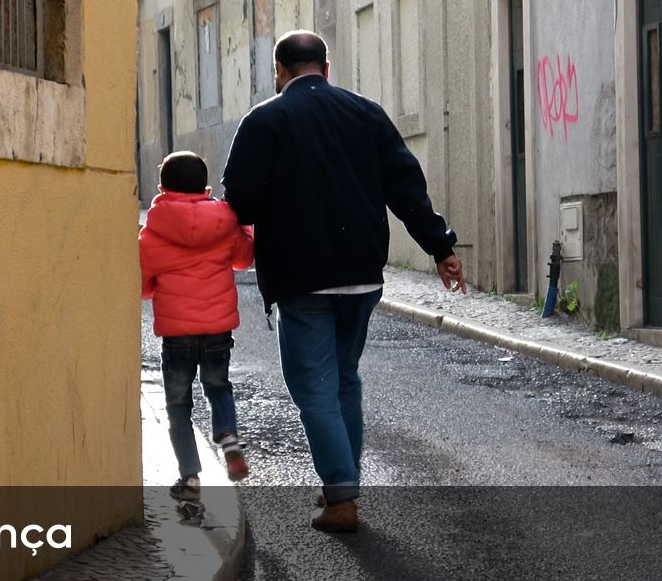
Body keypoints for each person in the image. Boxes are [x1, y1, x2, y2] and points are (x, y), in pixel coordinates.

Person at [223, 30, 465, 532]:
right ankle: (342, 482)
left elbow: (240, 200)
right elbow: (406, 186)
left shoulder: (265, 119)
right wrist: (440, 247)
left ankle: (341, 498)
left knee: (312, 385)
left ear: (280, 72)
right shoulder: (366, 114)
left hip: (301, 277)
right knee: (344, 379)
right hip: (361, 275)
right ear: (326, 69)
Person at [140, 151, 255, 502]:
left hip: (177, 335)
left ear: (162, 187)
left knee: (178, 403)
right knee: (218, 385)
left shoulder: (152, 231)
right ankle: (229, 438)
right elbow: (243, 260)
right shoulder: (225, 220)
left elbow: (144, 287)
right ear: (205, 186)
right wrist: (245, 228)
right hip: (218, 328)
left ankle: (189, 476)